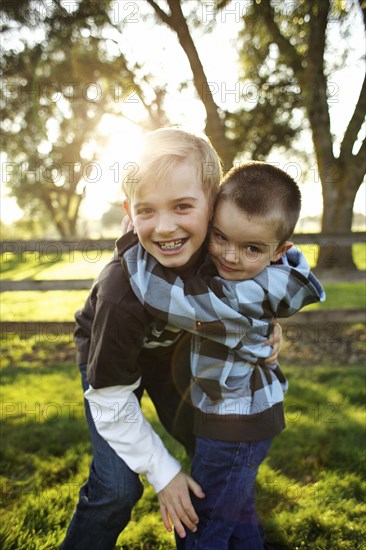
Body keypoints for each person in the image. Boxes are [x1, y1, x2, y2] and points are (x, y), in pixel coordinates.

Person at [60, 130, 281, 549]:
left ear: (215, 203)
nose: (164, 227)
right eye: (146, 210)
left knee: (219, 453)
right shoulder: (121, 291)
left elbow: (272, 274)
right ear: (129, 211)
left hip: (173, 358)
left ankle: (242, 533)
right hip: (110, 362)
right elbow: (110, 399)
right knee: (117, 487)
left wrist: (269, 327)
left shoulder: (227, 254)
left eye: (182, 206)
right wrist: (165, 474)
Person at [123, 161, 326, 549]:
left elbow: (164, 297)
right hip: (245, 417)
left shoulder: (241, 293)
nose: (230, 256)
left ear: (280, 250)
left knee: (202, 526)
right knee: (236, 512)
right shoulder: (268, 271)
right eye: (220, 237)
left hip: (234, 424)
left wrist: (134, 241)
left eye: (251, 248)